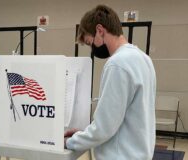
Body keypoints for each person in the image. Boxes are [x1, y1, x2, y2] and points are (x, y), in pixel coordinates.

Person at [64, 5, 156, 159]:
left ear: (100, 30)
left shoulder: (117, 64)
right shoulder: (144, 59)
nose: (93, 49)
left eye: (90, 42)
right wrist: (83, 133)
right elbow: (121, 119)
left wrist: (71, 141)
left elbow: (104, 128)